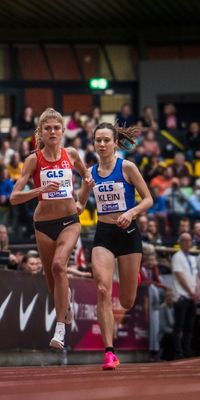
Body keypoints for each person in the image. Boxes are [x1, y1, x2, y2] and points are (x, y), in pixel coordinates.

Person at [10, 108, 94, 350]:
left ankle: (59, 331)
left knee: (59, 265)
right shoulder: (33, 159)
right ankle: (65, 310)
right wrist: (40, 191)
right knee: (51, 278)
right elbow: (14, 197)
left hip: (69, 220)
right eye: (48, 128)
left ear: (63, 130)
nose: (53, 132)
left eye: (56, 127)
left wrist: (82, 201)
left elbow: (88, 178)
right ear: (41, 132)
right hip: (43, 224)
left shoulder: (72, 154)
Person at [77, 122, 153, 370]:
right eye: (98, 140)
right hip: (105, 233)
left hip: (128, 233)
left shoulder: (127, 167)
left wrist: (131, 213)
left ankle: (134, 277)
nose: (101, 144)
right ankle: (109, 352)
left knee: (128, 300)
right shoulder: (91, 172)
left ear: (115, 142)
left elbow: (149, 199)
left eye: (106, 140)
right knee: (102, 289)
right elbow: (80, 205)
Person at [170, 233, 200, 359]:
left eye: (189, 241)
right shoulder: (177, 257)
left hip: (192, 297)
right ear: (180, 242)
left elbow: (197, 275)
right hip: (181, 296)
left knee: (189, 327)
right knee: (179, 326)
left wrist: (197, 290)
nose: (188, 243)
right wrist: (191, 292)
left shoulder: (192, 258)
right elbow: (180, 276)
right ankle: (178, 352)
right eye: (185, 241)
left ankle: (187, 351)